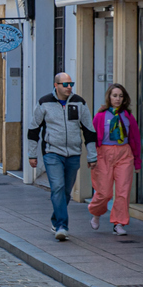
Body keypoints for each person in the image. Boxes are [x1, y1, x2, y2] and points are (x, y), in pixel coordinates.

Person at [28, 72, 98, 241]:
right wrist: (32, 154)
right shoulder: (44, 103)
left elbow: (89, 130)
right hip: (52, 153)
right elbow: (33, 129)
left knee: (66, 191)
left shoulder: (79, 103)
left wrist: (92, 155)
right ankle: (62, 226)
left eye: (70, 84)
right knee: (57, 187)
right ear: (56, 85)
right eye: (65, 84)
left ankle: (55, 219)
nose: (69, 87)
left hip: (73, 153)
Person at [89, 83, 141, 236]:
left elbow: (135, 139)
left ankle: (119, 223)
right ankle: (96, 213)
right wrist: (92, 157)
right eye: (114, 96)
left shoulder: (128, 116)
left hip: (124, 153)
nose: (117, 99)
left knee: (123, 191)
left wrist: (137, 161)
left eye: (120, 96)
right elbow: (92, 138)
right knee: (104, 192)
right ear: (109, 97)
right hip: (104, 153)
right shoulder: (100, 116)